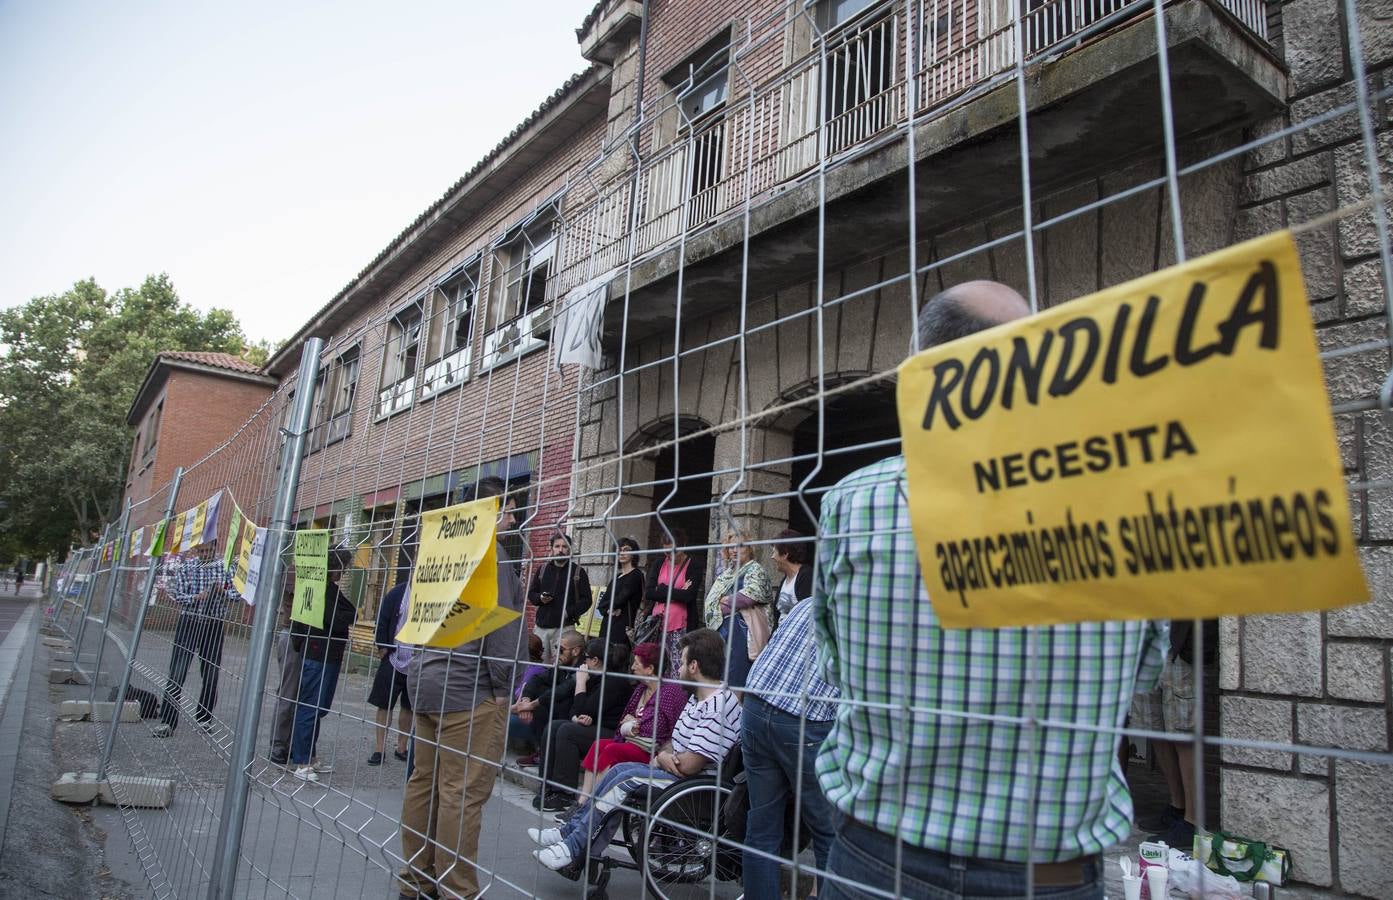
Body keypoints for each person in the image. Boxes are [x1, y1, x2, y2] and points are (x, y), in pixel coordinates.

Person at [813, 281, 1169, 900]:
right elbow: (1145, 674)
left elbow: (838, 665)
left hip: (877, 861)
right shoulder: (1125, 506)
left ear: (923, 372)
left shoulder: (854, 502)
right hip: (1048, 875)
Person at [398, 477, 526, 900]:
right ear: (490, 511)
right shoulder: (494, 554)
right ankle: (457, 890)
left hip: (427, 680)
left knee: (425, 783)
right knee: (461, 793)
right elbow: (504, 629)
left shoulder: (438, 550)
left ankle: (415, 881)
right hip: (471, 690)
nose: (513, 517)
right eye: (508, 508)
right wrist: (505, 690)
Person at [530, 628, 742, 873]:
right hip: (675, 773)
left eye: (682, 663)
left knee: (624, 782)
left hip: (693, 786)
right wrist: (666, 755)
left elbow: (689, 765)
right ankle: (569, 834)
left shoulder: (718, 705)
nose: (679, 669)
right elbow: (672, 743)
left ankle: (573, 847)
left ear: (694, 666)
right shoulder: (697, 698)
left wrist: (663, 757)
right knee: (617, 771)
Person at [741, 592, 841, 898]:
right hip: (804, 719)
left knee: (762, 825)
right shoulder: (865, 610)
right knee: (829, 833)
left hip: (757, 705)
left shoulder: (813, 599)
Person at [573, 641, 688, 803]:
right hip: (634, 742)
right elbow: (624, 722)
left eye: (636, 663)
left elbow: (656, 729)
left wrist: (634, 722)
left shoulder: (670, 692)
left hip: (654, 749)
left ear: (649, 669)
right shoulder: (641, 689)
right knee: (598, 745)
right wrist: (633, 723)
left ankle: (595, 803)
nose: (632, 667)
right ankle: (582, 802)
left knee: (612, 750)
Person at [534, 640, 633, 811]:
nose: (583, 663)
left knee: (567, 732)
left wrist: (580, 683)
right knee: (555, 726)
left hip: (610, 732)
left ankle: (564, 793)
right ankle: (547, 786)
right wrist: (575, 718)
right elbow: (575, 708)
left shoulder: (614, 681)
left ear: (595, 660)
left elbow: (586, 707)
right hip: (592, 726)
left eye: (586, 659)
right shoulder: (594, 677)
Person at [153, 540, 237, 738]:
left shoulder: (225, 566)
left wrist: (221, 591)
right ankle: (167, 721)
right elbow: (176, 594)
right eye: (203, 551)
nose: (206, 554)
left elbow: (237, 595)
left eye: (210, 550)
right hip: (189, 622)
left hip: (214, 624)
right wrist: (196, 598)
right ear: (196, 550)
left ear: (215, 549)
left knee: (211, 674)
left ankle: (204, 718)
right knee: (177, 672)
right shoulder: (187, 567)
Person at [288, 548, 357, 782]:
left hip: (326, 653)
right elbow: (338, 618)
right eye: (342, 568)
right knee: (310, 705)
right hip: (319, 653)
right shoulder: (318, 590)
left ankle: (310, 755)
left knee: (318, 706)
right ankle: (302, 760)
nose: (344, 573)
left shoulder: (329, 590)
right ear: (333, 568)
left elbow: (350, 613)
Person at [702, 528, 773, 689]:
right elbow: (711, 602)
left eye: (739, 546)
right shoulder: (727, 573)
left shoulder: (756, 570)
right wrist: (729, 602)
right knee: (721, 676)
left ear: (750, 548)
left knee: (736, 677)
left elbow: (747, 599)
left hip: (742, 633)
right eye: (731, 547)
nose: (734, 550)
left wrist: (723, 602)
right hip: (722, 632)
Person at [511, 629, 586, 767]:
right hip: (561, 711)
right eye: (556, 648)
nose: (557, 653)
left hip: (579, 715)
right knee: (540, 690)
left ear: (575, 651)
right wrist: (526, 700)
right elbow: (537, 679)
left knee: (550, 700)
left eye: (561, 649)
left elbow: (563, 690)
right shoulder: (563, 665)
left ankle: (545, 754)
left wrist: (533, 705)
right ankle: (542, 751)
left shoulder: (583, 667)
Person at [640, 527, 705, 675]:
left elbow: (689, 596)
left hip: (680, 626)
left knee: (677, 667)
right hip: (657, 625)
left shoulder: (694, 565)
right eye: (666, 551)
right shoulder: (659, 564)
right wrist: (678, 591)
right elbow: (649, 593)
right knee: (655, 666)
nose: (669, 556)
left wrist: (662, 589)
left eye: (673, 551)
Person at [367, 579, 414, 765]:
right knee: (384, 705)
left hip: (416, 660)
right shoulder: (397, 593)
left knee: (409, 707)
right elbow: (383, 619)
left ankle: (402, 747)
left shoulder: (431, 594)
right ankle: (379, 748)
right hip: (393, 657)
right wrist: (382, 648)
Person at [528, 532, 592, 662]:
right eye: (557, 546)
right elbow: (531, 594)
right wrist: (540, 598)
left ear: (569, 550)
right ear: (551, 549)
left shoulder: (578, 572)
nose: (560, 550)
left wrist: (569, 612)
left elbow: (587, 600)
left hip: (565, 629)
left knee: (562, 668)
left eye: (564, 547)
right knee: (539, 666)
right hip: (541, 629)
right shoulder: (542, 569)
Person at [268, 581, 302, 764]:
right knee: (288, 692)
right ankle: (278, 744)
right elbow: (292, 591)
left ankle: (289, 743)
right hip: (292, 633)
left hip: (307, 636)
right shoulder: (294, 572)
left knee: (297, 693)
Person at [597, 537, 644, 646]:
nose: (622, 553)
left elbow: (621, 599)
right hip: (606, 626)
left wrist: (610, 606)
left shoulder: (636, 575)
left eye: (626, 550)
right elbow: (601, 605)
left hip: (622, 627)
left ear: (633, 554)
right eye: (619, 550)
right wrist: (609, 610)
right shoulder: (617, 577)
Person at [506, 634, 548, 755]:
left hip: (529, 718)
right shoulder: (522, 666)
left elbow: (517, 706)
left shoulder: (535, 671)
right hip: (519, 712)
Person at [770, 528, 814, 628]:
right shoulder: (784, 580)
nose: (772, 557)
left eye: (774, 552)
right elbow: (777, 618)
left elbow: (807, 616)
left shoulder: (806, 577)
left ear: (785, 554)